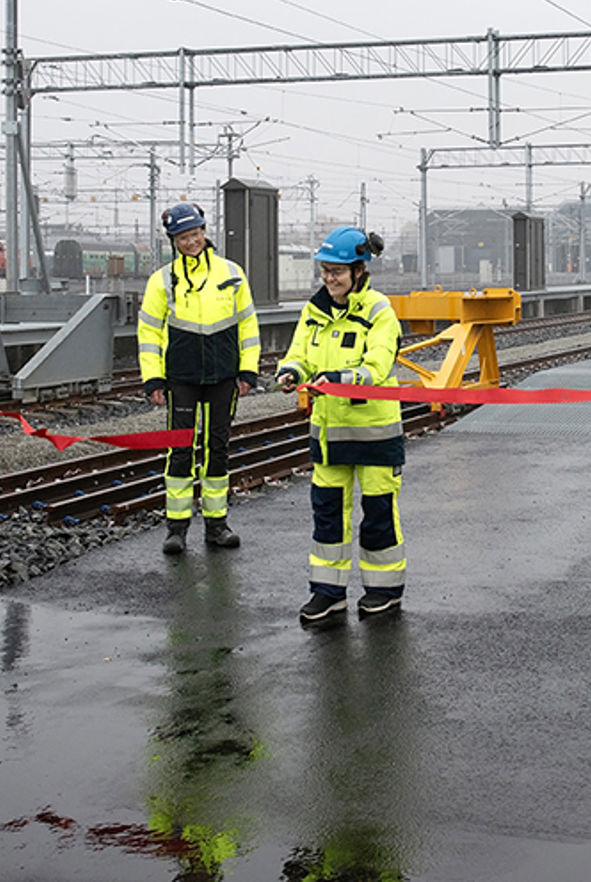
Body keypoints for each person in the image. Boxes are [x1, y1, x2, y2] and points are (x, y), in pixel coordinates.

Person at [275, 227, 406, 624]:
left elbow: (378, 365)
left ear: (359, 271)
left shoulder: (379, 311)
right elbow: (299, 354)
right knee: (328, 516)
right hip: (329, 438)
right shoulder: (313, 312)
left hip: (374, 437)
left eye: (337, 271)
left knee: (378, 513)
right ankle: (327, 593)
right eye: (325, 270)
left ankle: (383, 591)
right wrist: (290, 372)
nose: (329, 278)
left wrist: (343, 378)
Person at [138, 202, 261, 555]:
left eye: (195, 234)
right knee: (180, 450)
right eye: (182, 237)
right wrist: (154, 379)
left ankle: (217, 525)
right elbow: (148, 333)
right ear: (173, 240)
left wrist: (247, 369)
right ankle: (176, 529)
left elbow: (248, 327)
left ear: (205, 232)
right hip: (181, 378)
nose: (191, 242)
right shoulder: (162, 280)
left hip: (224, 376)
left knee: (217, 449)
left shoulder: (231, 273)